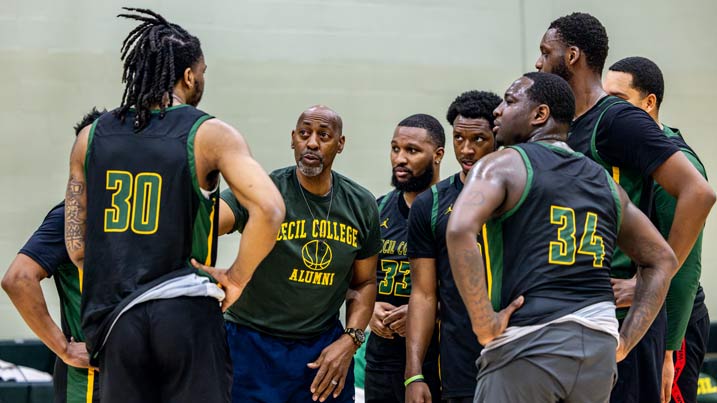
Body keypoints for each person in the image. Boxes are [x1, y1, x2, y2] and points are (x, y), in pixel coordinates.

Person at [64, 8, 284, 403]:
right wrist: (236, 277)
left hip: (117, 317)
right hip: (184, 311)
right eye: (202, 71)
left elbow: (77, 247)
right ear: (188, 76)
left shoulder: (90, 137)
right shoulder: (210, 133)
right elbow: (269, 210)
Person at [446, 71, 679, 402]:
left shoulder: (503, 164)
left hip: (528, 343)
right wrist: (625, 341)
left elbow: (458, 230)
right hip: (597, 350)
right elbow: (662, 259)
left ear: (540, 115)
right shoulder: (603, 181)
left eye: (510, 101)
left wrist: (483, 322)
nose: (497, 110)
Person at [536, 12, 715, 402]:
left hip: (626, 321)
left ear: (571, 56)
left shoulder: (617, 118)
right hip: (582, 315)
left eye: (545, 52)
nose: (538, 62)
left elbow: (699, 193)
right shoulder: (567, 125)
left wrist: (650, 281)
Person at [200, 104, 381, 403]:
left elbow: (364, 283)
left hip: (321, 350)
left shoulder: (361, 205)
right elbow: (211, 221)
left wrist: (350, 341)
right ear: (293, 138)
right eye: (304, 133)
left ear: (340, 143)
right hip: (250, 342)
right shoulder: (265, 190)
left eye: (323, 135)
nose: (311, 142)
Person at [604, 56, 710, 403]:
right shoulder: (629, 152)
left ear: (649, 103)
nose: (608, 110)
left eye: (618, 100)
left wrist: (668, 353)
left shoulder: (674, 164)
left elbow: (685, 271)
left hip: (674, 321)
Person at [405, 90, 502, 403]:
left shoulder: (522, 196)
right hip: (459, 360)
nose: (467, 150)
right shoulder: (430, 205)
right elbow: (423, 293)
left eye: (478, 140)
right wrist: (414, 372)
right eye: (459, 138)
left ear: (497, 136)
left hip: (520, 351)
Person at [2, 108, 104, 403]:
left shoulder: (126, 215)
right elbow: (18, 279)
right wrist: (64, 348)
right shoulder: (69, 218)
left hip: (126, 372)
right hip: (86, 382)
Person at [364, 113, 445, 403]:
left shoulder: (452, 210)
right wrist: (368, 307)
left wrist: (428, 312)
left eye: (412, 151)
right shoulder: (377, 209)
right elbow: (355, 280)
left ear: (437, 156)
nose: (400, 158)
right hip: (382, 356)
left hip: (436, 357)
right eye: (395, 148)